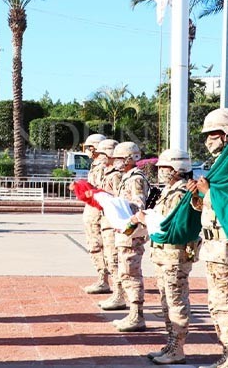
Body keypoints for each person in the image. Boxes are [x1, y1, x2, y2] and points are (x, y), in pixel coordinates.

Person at [187, 107, 228, 368]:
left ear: (226, 134)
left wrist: (208, 192)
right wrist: (198, 195)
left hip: (227, 247)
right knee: (218, 303)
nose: (207, 140)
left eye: (212, 134)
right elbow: (210, 207)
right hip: (215, 245)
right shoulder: (222, 164)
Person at [145, 148, 195, 365]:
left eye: (163, 167)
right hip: (164, 254)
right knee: (167, 300)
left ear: (177, 168)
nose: (159, 171)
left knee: (176, 301)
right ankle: (171, 343)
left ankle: (178, 348)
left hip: (174, 255)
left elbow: (169, 224)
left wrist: (146, 219)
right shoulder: (169, 191)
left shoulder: (180, 194)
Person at [109, 141, 149, 332]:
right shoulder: (127, 177)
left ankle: (137, 315)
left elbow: (138, 204)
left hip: (131, 232)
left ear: (129, 158)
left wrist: (119, 208)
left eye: (118, 157)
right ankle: (134, 313)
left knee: (131, 273)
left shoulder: (135, 179)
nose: (115, 161)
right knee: (126, 272)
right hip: (125, 230)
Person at [94, 139, 126, 312]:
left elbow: (121, 198)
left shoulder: (116, 174)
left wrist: (102, 194)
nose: (100, 157)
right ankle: (116, 293)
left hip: (114, 222)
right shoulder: (108, 172)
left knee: (114, 260)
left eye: (103, 154)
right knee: (110, 258)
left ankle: (119, 295)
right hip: (107, 219)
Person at [80, 133, 110, 294]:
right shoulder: (97, 165)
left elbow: (98, 191)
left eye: (89, 148)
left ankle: (103, 279)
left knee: (97, 246)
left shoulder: (102, 166)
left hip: (97, 212)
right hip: (93, 211)